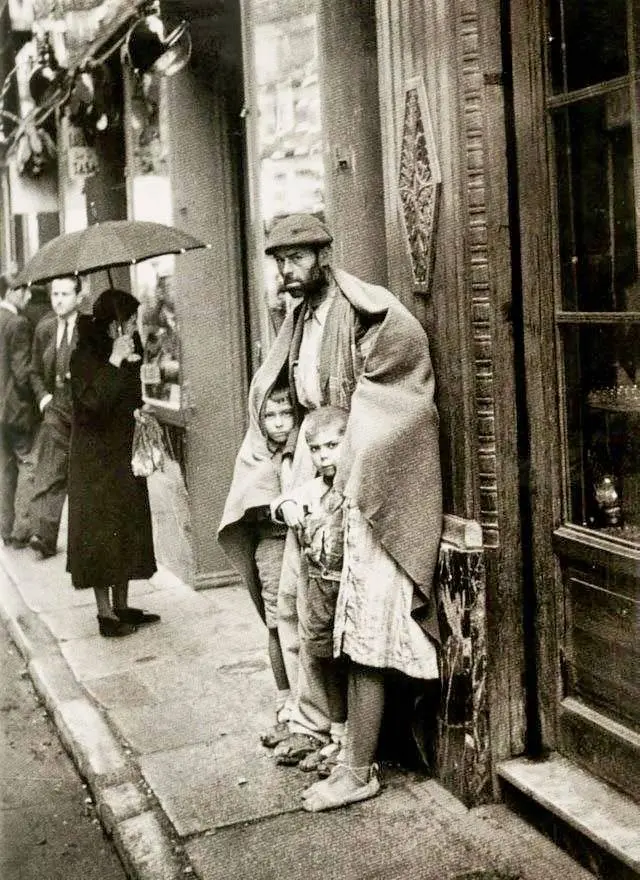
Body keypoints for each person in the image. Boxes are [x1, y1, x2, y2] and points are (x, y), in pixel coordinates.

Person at [220, 213, 442, 811]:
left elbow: (398, 396)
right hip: (312, 480)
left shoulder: (370, 313)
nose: (284, 271)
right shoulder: (296, 318)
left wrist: (345, 488)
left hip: (365, 485)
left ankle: (358, 767)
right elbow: (285, 398)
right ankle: (322, 725)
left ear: (324, 253)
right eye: (278, 261)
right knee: (301, 607)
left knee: (362, 620)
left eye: (294, 258)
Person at [67, 288, 159, 638]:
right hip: (95, 464)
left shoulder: (128, 351)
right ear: (112, 326)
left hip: (124, 456)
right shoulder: (84, 358)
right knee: (102, 535)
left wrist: (140, 407)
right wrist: (115, 362)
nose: (135, 326)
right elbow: (91, 404)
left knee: (127, 527)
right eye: (130, 321)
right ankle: (105, 614)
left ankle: (123, 605)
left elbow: (127, 399)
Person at [271, 406, 349, 774]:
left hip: (349, 596)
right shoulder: (315, 488)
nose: (324, 456)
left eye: (333, 446)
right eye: (316, 449)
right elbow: (286, 500)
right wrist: (287, 505)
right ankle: (334, 733)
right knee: (324, 658)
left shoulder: (353, 486)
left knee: (350, 664)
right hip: (322, 598)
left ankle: (348, 740)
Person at [219, 383, 298, 746]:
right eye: (271, 416)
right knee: (277, 622)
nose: (280, 423)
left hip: (305, 545)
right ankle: (285, 697)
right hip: (272, 543)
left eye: (287, 414)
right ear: (258, 418)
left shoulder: (305, 448)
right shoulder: (253, 452)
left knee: (306, 622)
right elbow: (246, 505)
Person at [28, 275, 83, 559]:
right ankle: (44, 535)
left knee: (84, 474)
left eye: (65, 294)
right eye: (55, 295)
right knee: (49, 472)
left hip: (85, 411)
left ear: (79, 297)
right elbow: (34, 370)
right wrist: (43, 398)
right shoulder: (45, 329)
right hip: (56, 408)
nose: (59, 300)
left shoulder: (89, 329)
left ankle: (86, 541)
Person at [0, 282, 37, 548]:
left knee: (4, 468)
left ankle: (5, 528)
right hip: (16, 408)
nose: (30, 295)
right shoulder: (18, 323)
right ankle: (21, 530)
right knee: (28, 462)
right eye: (25, 290)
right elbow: (22, 372)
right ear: (11, 291)